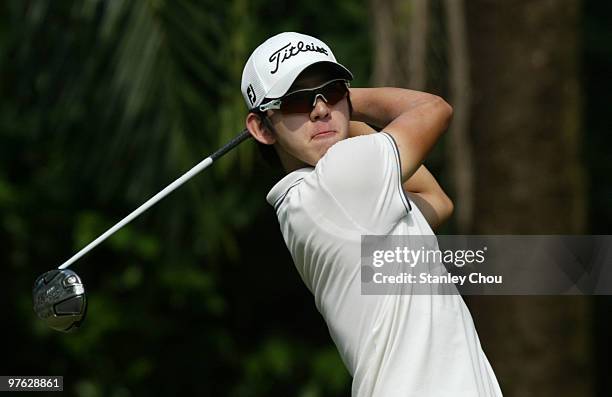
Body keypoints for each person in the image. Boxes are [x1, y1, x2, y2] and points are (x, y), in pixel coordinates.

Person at [241, 32, 503, 396]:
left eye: (330, 90)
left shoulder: (313, 202)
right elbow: (434, 109)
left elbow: (435, 201)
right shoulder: (340, 180)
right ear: (260, 127)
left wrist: (339, 114)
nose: (319, 109)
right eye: (298, 100)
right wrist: (348, 102)